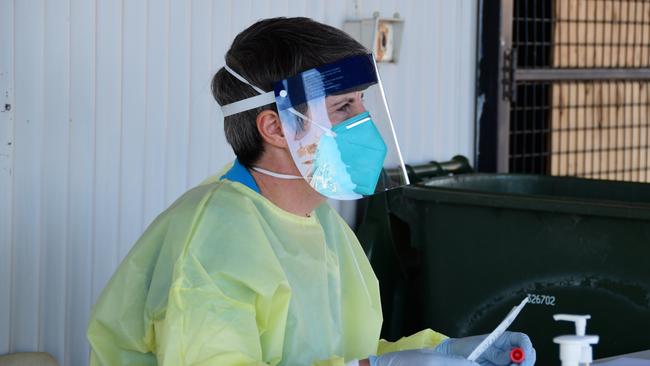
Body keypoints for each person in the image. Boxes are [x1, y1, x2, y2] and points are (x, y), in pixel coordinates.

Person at [87, 17, 536, 366]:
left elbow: (339, 347)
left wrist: (444, 353)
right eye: (343, 107)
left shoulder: (318, 220)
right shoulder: (212, 242)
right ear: (275, 127)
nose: (364, 123)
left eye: (362, 103)